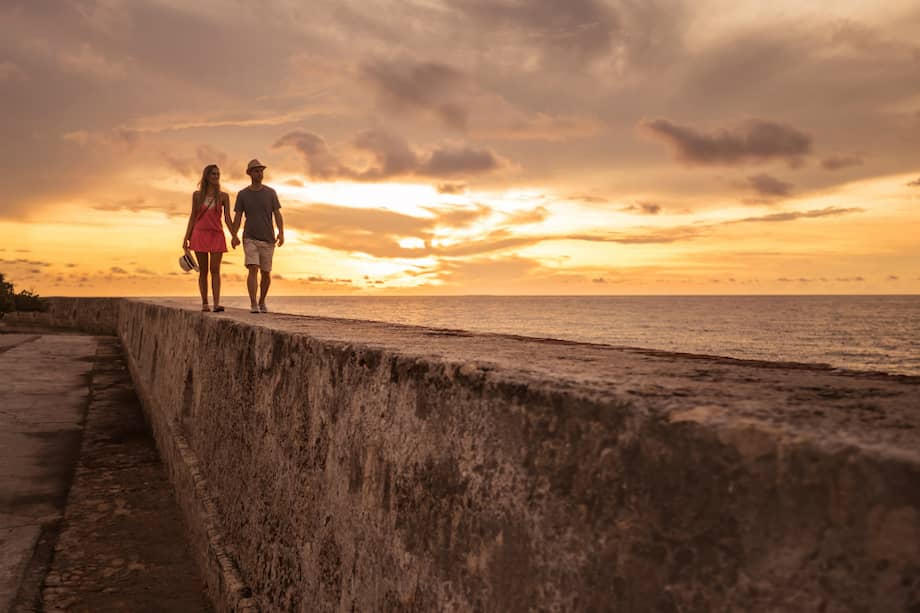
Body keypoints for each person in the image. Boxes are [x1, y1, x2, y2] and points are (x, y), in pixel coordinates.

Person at [182, 164, 238, 312]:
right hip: (199, 234)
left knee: (215, 270)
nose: (216, 176)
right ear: (207, 176)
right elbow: (193, 217)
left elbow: (227, 219)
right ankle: (205, 303)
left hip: (217, 234)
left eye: (218, 174)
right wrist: (186, 237)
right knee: (203, 271)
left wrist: (234, 235)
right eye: (213, 174)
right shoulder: (197, 195)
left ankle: (216, 303)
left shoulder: (223, 197)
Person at [231, 159, 284, 313]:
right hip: (250, 237)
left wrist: (281, 232)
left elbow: (277, 214)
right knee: (253, 268)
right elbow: (238, 217)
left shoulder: (270, 193)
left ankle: (262, 301)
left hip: (268, 239)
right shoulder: (242, 194)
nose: (259, 173)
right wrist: (234, 235)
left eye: (261, 171)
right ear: (249, 173)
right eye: (255, 171)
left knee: (266, 273)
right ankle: (253, 303)